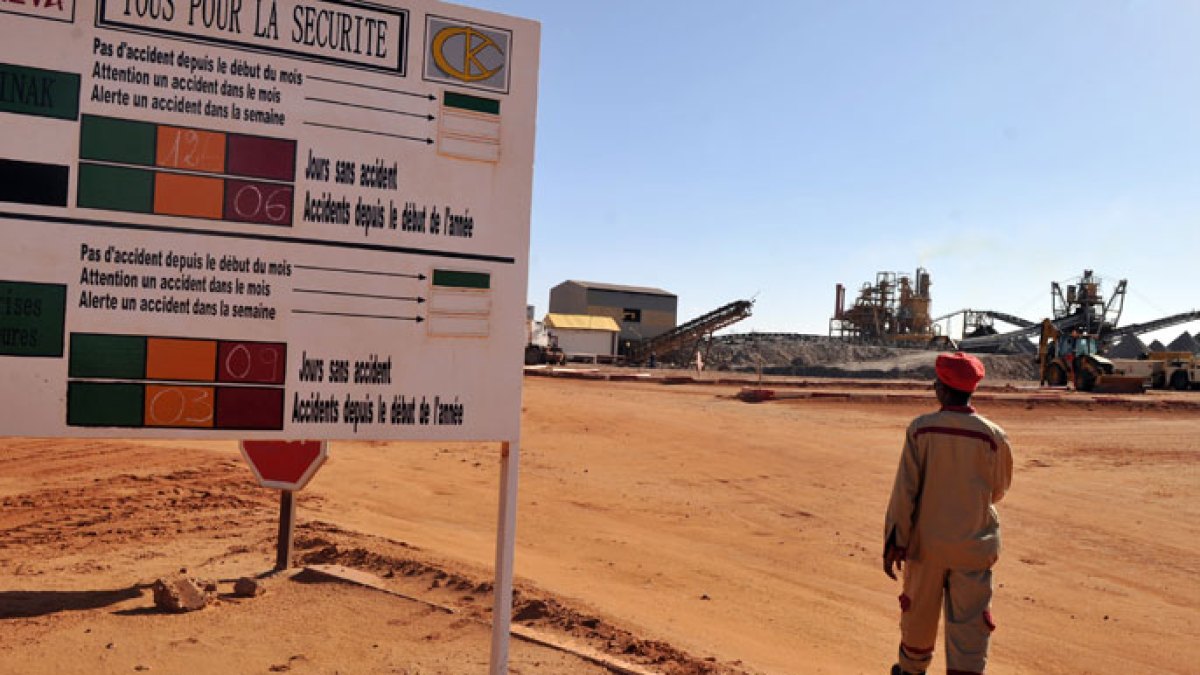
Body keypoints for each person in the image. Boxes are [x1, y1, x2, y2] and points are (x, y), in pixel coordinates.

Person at [883, 352, 1014, 675]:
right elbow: (998, 490)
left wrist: (895, 540)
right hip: (973, 546)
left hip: (926, 546)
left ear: (941, 388)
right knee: (970, 626)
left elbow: (905, 491)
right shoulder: (993, 436)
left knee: (918, 617)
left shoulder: (921, 430)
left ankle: (911, 670)